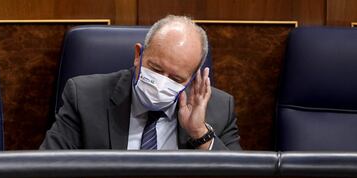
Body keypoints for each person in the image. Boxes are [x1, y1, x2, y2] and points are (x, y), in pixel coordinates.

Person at [40, 15, 241, 150]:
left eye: (176, 78)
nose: (161, 83)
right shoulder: (84, 97)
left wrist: (199, 133)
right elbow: (48, 169)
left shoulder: (220, 109)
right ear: (138, 55)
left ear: (192, 78)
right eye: (155, 68)